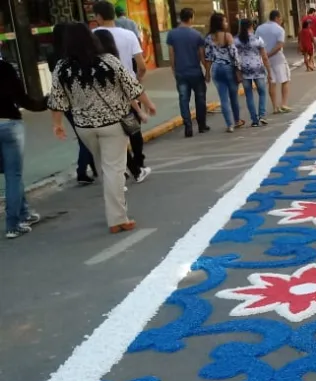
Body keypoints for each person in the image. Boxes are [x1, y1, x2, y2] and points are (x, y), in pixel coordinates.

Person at [48, 22, 156, 234]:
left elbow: (56, 99)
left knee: (103, 168)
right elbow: (132, 86)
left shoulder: (62, 67)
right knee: (114, 170)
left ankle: (115, 211)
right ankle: (117, 218)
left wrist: (57, 124)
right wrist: (149, 104)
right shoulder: (108, 61)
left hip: (84, 127)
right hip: (113, 124)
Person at [94, 0, 150, 183]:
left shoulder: (92, 36)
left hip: (103, 92)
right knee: (133, 129)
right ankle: (138, 163)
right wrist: (136, 80)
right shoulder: (128, 35)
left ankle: (123, 166)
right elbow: (141, 65)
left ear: (99, 17)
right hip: (129, 90)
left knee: (113, 132)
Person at [1, 53, 46, 239]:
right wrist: (44, 103)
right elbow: (21, 98)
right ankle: (13, 224)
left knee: (9, 172)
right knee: (13, 174)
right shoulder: (5, 68)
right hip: (8, 123)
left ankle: (24, 212)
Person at [47, 22, 97, 184]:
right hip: (78, 98)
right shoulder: (70, 54)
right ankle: (82, 170)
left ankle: (92, 167)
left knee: (82, 133)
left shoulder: (51, 55)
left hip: (64, 100)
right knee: (86, 135)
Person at [166, 7, 208, 138]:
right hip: (195, 71)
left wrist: (173, 69)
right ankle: (201, 125)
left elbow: (171, 54)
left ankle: (188, 127)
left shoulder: (172, 34)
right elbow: (202, 55)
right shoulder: (197, 35)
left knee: (184, 100)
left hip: (181, 72)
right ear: (191, 18)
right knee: (200, 98)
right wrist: (207, 71)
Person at [203, 12, 242, 132]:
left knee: (223, 98)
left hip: (216, 68)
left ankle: (229, 125)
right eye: (224, 21)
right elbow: (234, 54)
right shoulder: (227, 36)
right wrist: (238, 69)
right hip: (228, 67)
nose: (226, 23)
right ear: (220, 23)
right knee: (233, 97)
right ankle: (237, 120)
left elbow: (208, 57)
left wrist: (207, 73)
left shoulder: (209, 38)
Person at [236, 19, 271, 127]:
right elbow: (264, 57)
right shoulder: (257, 39)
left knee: (249, 95)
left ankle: (254, 120)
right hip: (258, 69)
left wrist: (237, 72)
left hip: (244, 70)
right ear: (251, 26)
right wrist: (269, 71)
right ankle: (262, 115)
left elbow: (234, 57)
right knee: (262, 92)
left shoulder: (236, 40)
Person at [255, 10, 291, 114]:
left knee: (272, 81)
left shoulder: (259, 28)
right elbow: (279, 45)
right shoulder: (279, 29)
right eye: (280, 19)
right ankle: (283, 104)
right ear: (276, 18)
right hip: (277, 58)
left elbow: (256, 43)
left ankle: (275, 106)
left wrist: (264, 55)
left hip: (264, 59)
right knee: (285, 80)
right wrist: (269, 54)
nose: (281, 21)